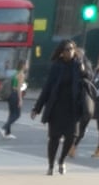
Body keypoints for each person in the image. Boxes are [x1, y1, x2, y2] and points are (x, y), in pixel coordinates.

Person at [31, 39, 90, 176]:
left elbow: (90, 78)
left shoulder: (80, 64)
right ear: (61, 53)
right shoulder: (56, 66)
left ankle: (61, 160)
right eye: (66, 49)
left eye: (71, 49)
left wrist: (83, 70)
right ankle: (51, 165)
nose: (69, 51)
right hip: (57, 108)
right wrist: (37, 108)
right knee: (54, 138)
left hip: (73, 108)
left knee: (71, 137)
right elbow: (47, 88)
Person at [0, 60, 27, 139]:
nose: (27, 66)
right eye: (26, 64)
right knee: (17, 115)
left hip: (10, 94)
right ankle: (4, 128)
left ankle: (7, 133)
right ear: (23, 65)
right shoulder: (21, 74)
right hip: (15, 94)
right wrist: (20, 99)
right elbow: (19, 88)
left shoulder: (16, 73)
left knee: (11, 114)